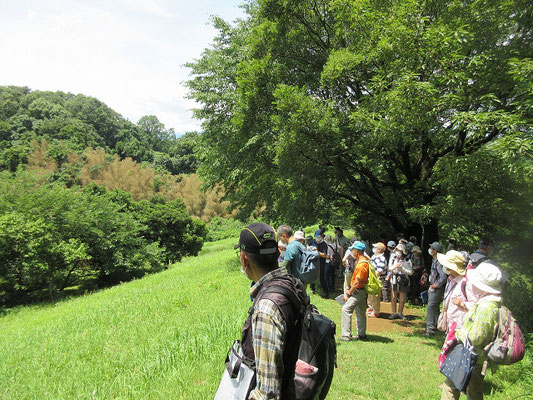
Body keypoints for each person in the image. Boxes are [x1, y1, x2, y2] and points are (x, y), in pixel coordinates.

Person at [235, 222, 307, 399]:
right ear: (277, 252)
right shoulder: (292, 284)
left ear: (244, 258)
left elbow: (267, 394)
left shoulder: (267, 308)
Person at [440, 262, 504, 400]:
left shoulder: (486, 307)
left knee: (450, 388)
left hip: (470, 355)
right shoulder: (490, 302)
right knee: (473, 392)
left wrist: (458, 334)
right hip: (477, 356)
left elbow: (476, 336)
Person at [339, 241, 370, 341]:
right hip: (361, 292)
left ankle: (346, 335)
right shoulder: (363, 261)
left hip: (358, 292)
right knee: (360, 312)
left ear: (357, 251)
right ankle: (362, 334)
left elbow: (357, 282)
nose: (351, 252)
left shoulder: (361, 264)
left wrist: (348, 293)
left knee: (346, 310)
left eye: (353, 250)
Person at [438, 250, 468, 331]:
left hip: (460, 326)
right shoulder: (450, 279)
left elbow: (475, 305)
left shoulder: (465, 283)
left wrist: (461, 304)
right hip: (450, 322)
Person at [426, 241, 446, 335]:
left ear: (436, 251)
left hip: (437, 288)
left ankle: (430, 329)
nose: (430, 250)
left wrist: (436, 285)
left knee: (431, 307)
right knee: (434, 307)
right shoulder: (435, 260)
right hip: (434, 286)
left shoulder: (439, 262)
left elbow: (443, 276)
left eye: (432, 248)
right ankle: (436, 326)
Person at [388, 243, 413, 320]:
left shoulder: (407, 260)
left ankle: (400, 313)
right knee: (393, 297)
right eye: (397, 250)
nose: (398, 252)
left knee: (402, 298)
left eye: (400, 250)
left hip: (403, 279)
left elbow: (411, 272)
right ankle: (393, 312)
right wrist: (395, 266)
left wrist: (402, 268)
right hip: (394, 278)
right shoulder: (393, 258)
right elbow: (389, 268)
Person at [368, 242, 387, 318]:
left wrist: (373, 277)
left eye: (376, 248)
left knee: (375, 295)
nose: (374, 249)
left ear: (379, 250)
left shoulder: (382, 258)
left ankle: (376, 311)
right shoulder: (374, 256)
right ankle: (371, 307)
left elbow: (379, 271)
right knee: (370, 294)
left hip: (377, 279)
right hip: (371, 278)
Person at [313, 231, 330, 298]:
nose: (318, 238)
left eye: (319, 237)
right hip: (313, 262)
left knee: (321, 278)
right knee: (312, 276)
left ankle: (326, 292)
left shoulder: (324, 244)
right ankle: (312, 290)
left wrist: (317, 252)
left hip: (321, 263)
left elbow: (324, 255)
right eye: (317, 237)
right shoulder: (312, 242)